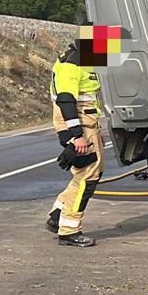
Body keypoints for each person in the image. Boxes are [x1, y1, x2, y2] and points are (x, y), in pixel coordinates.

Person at [47, 39, 102, 247]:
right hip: (79, 127)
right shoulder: (72, 65)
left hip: (87, 126)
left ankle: (57, 215)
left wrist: (94, 131)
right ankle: (69, 230)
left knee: (85, 174)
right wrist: (77, 135)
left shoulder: (81, 60)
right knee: (88, 178)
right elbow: (66, 99)